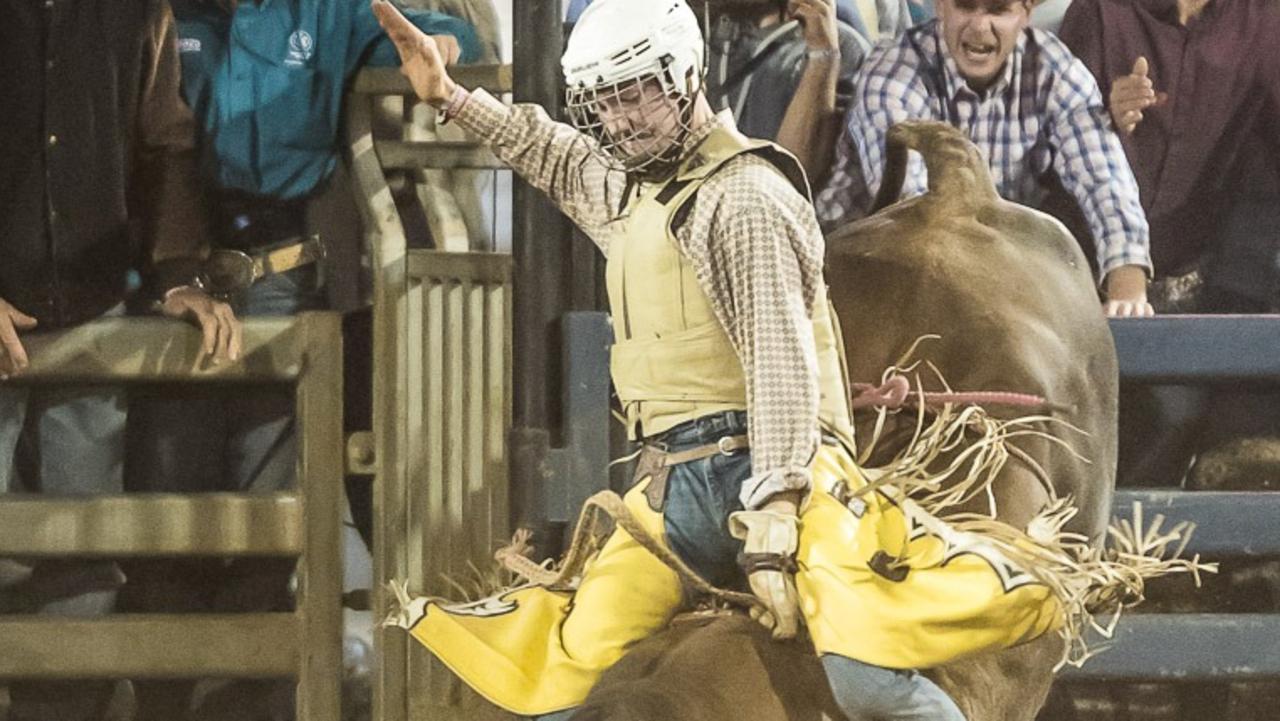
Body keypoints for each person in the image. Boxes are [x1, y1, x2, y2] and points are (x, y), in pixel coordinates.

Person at [369, 0, 1104, 719]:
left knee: (869, 676)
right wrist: (453, 98)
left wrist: (780, 510)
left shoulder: (742, 196)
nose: (619, 119)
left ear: (682, 77)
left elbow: (778, 357)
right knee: (558, 670)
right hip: (672, 494)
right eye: (604, 102)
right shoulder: (636, 185)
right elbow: (553, 153)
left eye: (635, 95)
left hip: (778, 474)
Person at [121, 2, 480, 719]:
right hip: (165, 272)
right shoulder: (157, 12)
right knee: (167, 524)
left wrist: (438, 46)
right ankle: (160, 702)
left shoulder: (327, 9)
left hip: (275, 274)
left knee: (267, 528)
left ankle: (243, 704)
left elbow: (450, 39)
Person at [0, 0, 240, 719]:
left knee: (84, 547)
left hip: (91, 306)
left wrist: (177, 277)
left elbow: (164, 142)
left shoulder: (139, 9)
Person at [816, 0, 1156, 318]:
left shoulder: (1055, 69)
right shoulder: (893, 71)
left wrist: (1128, 285)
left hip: (982, 278)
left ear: (1026, 12)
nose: (979, 27)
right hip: (856, 280)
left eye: (998, 9)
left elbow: (1103, 178)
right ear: (939, 6)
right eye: (965, 5)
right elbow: (917, 213)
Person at [1056, 0, 1280, 482]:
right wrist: (1102, 111)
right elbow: (1043, 143)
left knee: (1179, 419)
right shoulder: (1098, 13)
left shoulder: (1263, 19)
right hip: (1083, 280)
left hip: (1200, 283)